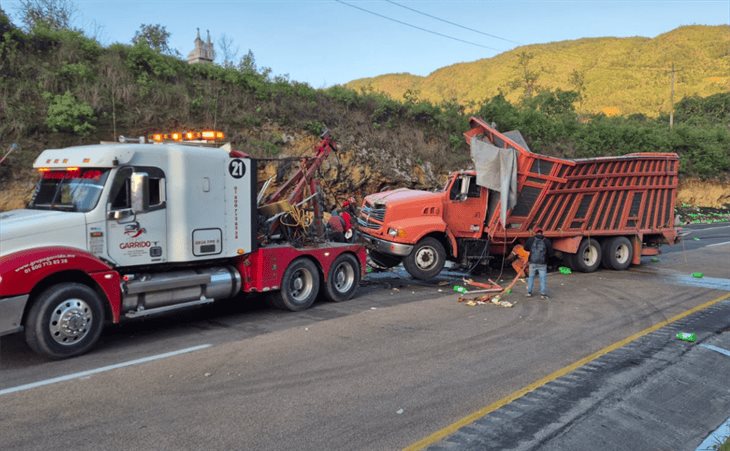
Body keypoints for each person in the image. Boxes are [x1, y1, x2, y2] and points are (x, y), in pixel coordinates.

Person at [524, 227, 553, 299]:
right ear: (542, 233)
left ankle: (529, 292)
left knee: (531, 277)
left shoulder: (531, 240)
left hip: (532, 262)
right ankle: (543, 294)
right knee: (542, 278)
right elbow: (551, 253)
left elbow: (525, 248)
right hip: (542, 264)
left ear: (535, 232)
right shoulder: (546, 241)